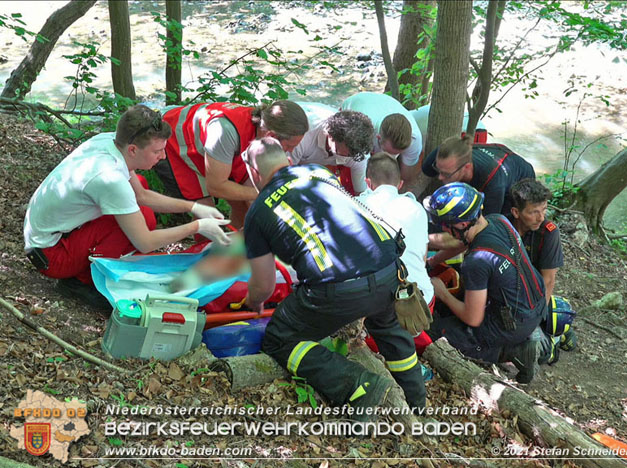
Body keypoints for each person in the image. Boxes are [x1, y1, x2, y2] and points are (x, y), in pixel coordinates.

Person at [242, 137, 426, 416]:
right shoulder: (320, 173)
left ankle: (357, 385)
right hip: (389, 270)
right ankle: (416, 403)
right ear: (289, 161)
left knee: (280, 339)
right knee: (389, 328)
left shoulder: (259, 210)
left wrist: (253, 303)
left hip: (337, 290)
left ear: (255, 173)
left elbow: (264, 286)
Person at [24, 105, 231, 308]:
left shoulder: (110, 142)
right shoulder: (110, 178)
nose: (164, 157)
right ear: (133, 149)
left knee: (139, 187)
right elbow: (145, 242)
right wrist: (198, 226)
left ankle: (91, 266)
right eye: (157, 151)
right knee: (140, 222)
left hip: (52, 233)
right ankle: (80, 281)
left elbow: (141, 195)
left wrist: (194, 207)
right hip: (51, 254)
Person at [424, 182, 548, 383]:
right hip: (536, 301)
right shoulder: (497, 221)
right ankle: (528, 334)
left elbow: (472, 318)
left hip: (513, 323)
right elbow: (462, 242)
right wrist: (432, 262)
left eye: (445, 224)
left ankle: (513, 351)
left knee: (435, 332)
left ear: (462, 224)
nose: (443, 228)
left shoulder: (477, 261)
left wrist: (442, 293)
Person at [155, 100, 309, 227]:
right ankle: (204, 255)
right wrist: (264, 193)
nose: (287, 152)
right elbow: (216, 186)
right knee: (207, 215)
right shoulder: (225, 132)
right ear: (271, 135)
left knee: (243, 206)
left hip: (208, 149)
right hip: (173, 143)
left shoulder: (259, 132)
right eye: (288, 146)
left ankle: (239, 248)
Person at [356, 153, 434, 355]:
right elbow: (423, 259)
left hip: (377, 314)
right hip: (421, 303)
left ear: (368, 183)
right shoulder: (416, 208)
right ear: (400, 184)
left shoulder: (355, 206)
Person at [422, 136, 536, 216]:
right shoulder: (449, 153)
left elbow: (487, 226)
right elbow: (427, 169)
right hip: (496, 153)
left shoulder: (494, 184)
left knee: (501, 222)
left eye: (446, 174)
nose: (440, 177)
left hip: (520, 177)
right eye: (438, 169)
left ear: (466, 167)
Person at [341, 92, 422, 184]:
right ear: (378, 137)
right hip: (355, 105)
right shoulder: (362, 130)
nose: (390, 157)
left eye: (396, 153)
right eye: (387, 152)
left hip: (383, 104)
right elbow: (359, 173)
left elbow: (406, 177)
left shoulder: (415, 139)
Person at [289, 110, 374, 195]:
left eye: (350, 155)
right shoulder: (302, 137)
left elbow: (360, 193)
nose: (346, 157)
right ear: (330, 135)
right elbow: (284, 175)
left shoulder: (359, 153)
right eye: (340, 152)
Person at [508, 178, 563, 302]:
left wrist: (539, 314)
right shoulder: (503, 227)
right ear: (516, 212)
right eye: (534, 212)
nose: (541, 218)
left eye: (544, 210)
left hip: (531, 293)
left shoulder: (548, 233)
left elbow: (548, 280)